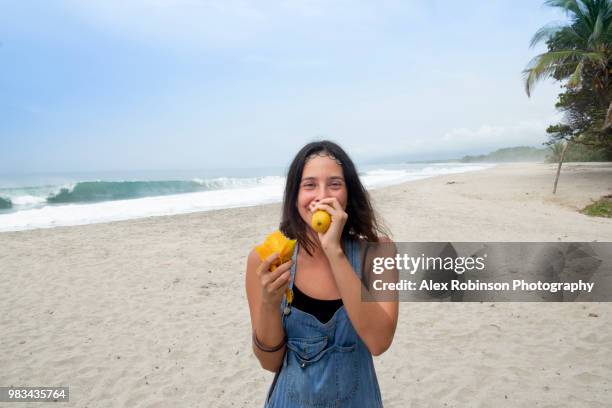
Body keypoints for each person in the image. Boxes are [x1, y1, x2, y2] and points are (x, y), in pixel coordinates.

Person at [245, 140, 398, 407]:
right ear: (294, 196)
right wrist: (270, 304)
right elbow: (269, 363)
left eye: (335, 184)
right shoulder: (265, 259)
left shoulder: (379, 252)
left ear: (348, 194)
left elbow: (379, 341)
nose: (322, 196)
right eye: (310, 185)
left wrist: (334, 252)